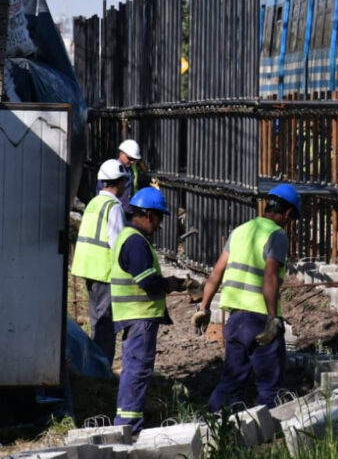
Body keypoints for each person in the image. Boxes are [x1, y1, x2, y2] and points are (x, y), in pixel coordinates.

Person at [192, 183, 301, 412]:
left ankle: (210, 431)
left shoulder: (239, 231)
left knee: (231, 382)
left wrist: (203, 307)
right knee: (269, 386)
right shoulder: (277, 235)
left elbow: (215, 274)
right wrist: (273, 319)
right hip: (260, 322)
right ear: (288, 213)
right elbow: (270, 279)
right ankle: (266, 440)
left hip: (234, 322)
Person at [111, 187, 186, 432]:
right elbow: (148, 282)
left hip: (135, 316)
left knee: (135, 370)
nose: (159, 225)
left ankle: (126, 422)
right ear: (148, 214)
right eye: (159, 218)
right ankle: (128, 425)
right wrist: (172, 284)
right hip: (139, 316)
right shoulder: (135, 242)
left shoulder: (129, 238)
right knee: (137, 371)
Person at [71, 159, 130, 365]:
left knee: (97, 321)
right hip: (104, 271)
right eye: (123, 182)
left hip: (87, 268)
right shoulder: (113, 207)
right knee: (105, 325)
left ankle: (93, 365)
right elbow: (118, 243)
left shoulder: (94, 203)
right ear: (119, 182)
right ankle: (102, 370)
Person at [95, 139, 143, 206]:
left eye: (134, 159)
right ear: (121, 154)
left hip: (129, 209)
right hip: (113, 208)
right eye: (130, 158)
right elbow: (101, 190)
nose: (132, 162)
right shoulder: (109, 169)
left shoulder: (132, 170)